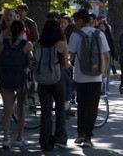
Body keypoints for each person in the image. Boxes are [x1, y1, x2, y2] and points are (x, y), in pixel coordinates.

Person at [69, 9, 110, 147]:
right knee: (93, 107)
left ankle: (80, 133)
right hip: (96, 76)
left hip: (80, 76)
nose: (75, 23)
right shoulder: (99, 33)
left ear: (81, 20)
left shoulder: (75, 35)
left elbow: (71, 55)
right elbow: (106, 55)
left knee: (82, 105)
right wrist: (103, 72)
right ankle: (88, 136)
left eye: (75, 21)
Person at [0, 19, 33, 149]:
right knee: (20, 110)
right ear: (23, 31)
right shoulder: (27, 44)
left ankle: (6, 139)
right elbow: (31, 62)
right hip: (20, 80)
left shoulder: (3, 42)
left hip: (5, 79)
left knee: (7, 111)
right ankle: (19, 137)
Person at [35, 20, 70, 151]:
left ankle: (45, 141)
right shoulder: (61, 44)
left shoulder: (38, 44)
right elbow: (66, 65)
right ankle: (60, 138)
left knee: (45, 112)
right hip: (57, 80)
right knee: (60, 108)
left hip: (42, 81)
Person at [99, 21, 116, 92]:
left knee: (107, 71)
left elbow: (112, 46)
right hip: (99, 54)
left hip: (107, 54)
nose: (101, 28)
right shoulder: (97, 34)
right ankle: (100, 87)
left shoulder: (109, 36)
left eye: (103, 26)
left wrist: (113, 56)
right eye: (100, 26)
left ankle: (106, 87)